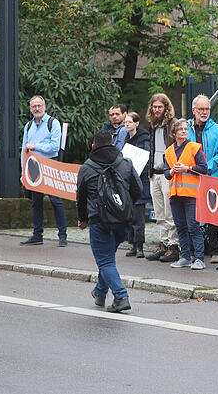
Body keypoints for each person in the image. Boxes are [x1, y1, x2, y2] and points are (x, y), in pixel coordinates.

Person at [76, 130, 143, 313]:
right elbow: (138, 189)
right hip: (123, 221)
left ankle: (121, 296)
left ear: (93, 146)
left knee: (105, 261)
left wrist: (83, 219)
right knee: (107, 258)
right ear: (113, 143)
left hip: (99, 221)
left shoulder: (87, 168)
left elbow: (81, 198)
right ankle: (100, 291)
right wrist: (124, 207)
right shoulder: (125, 163)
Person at [20, 95, 68, 246]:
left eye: (39, 105)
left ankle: (63, 235)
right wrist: (23, 173)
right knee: (36, 202)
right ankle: (37, 235)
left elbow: (55, 147)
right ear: (30, 109)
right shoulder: (28, 126)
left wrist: (35, 146)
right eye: (34, 106)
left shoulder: (53, 123)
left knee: (56, 200)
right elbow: (24, 150)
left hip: (50, 164)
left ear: (44, 107)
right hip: (33, 167)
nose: (37, 108)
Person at [164, 118, 208, 270]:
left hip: (191, 194)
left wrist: (187, 168)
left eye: (185, 129)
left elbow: (203, 168)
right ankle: (185, 257)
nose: (184, 131)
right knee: (180, 226)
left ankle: (200, 258)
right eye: (181, 129)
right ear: (174, 133)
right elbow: (166, 172)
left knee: (193, 226)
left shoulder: (194, 147)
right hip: (175, 194)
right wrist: (170, 171)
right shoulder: (169, 151)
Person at [187, 94, 218, 263]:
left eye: (207, 109)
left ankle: (215, 250)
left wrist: (207, 166)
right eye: (201, 109)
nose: (204, 112)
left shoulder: (217, 128)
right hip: (191, 176)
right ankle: (194, 250)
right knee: (193, 214)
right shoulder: (186, 128)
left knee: (212, 214)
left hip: (211, 176)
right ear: (193, 110)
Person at [144, 93, 179, 263]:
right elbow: (152, 150)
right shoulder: (153, 125)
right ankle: (163, 244)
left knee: (169, 211)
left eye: (160, 106)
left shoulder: (172, 124)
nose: (157, 109)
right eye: (154, 106)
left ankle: (173, 246)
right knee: (158, 212)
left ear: (166, 107)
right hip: (155, 172)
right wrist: (150, 170)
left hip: (167, 173)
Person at [123, 112, 151, 258]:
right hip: (129, 181)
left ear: (136, 123)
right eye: (125, 122)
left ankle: (139, 246)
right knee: (131, 215)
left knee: (138, 216)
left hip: (140, 181)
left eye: (129, 122)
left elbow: (145, 157)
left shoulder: (144, 139)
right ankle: (133, 244)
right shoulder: (126, 139)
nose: (127, 124)